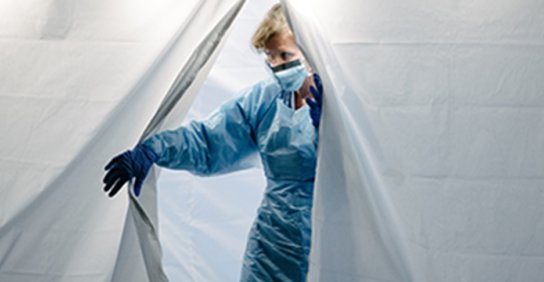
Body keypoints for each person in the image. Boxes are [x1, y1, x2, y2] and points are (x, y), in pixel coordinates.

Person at [103, 3, 322, 281]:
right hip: (273, 240)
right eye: (269, 55)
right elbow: (209, 141)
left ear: (309, 49)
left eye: (285, 55)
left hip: (329, 228)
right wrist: (155, 149)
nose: (276, 65)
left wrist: (326, 126)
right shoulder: (265, 100)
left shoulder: (338, 107)